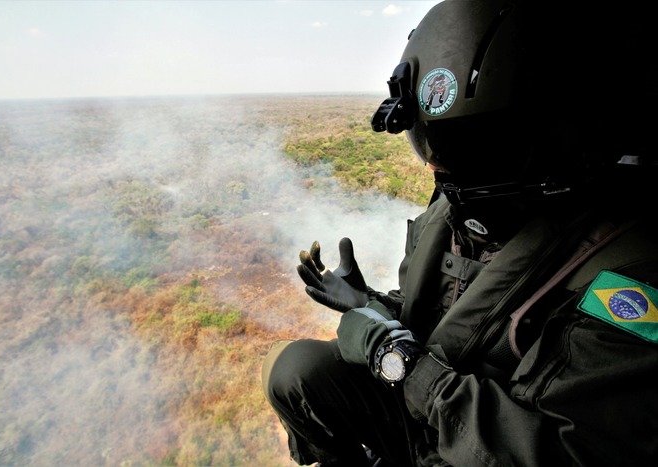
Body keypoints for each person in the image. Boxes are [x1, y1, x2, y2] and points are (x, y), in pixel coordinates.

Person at [262, 1, 658, 465]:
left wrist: (400, 365)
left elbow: (562, 453)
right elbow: (441, 314)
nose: (436, 164)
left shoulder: (628, 276)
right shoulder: (460, 208)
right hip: (429, 417)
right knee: (294, 369)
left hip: (473, 442)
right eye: (430, 140)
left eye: (463, 146)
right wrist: (369, 304)